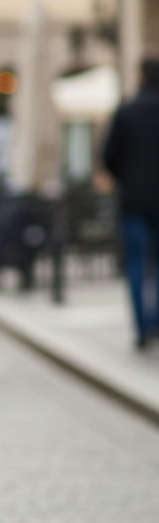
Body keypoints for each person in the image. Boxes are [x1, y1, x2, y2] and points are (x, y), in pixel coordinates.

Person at [103, 56, 159, 351]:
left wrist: (126, 177)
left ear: (140, 77)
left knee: (137, 264)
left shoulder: (126, 112)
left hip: (134, 200)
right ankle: (156, 321)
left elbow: (108, 157)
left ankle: (141, 325)